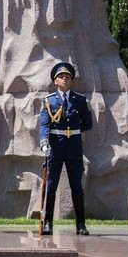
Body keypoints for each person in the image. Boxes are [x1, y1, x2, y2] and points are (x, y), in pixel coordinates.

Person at [38, 62, 93, 235]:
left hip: (74, 147)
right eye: (61, 77)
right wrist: (44, 142)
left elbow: (88, 123)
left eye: (67, 77)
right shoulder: (49, 101)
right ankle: (48, 224)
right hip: (55, 146)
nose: (65, 79)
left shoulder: (80, 100)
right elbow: (44, 125)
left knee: (76, 186)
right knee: (51, 186)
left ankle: (81, 225)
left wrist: (74, 132)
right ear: (55, 81)